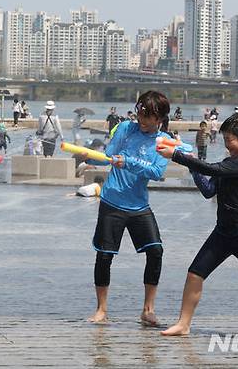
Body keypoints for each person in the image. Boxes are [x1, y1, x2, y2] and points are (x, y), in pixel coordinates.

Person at [158, 113, 238, 337]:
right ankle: (183, 325)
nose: (226, 145)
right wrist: (194, 167)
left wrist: (177, 155)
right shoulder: (229, 163)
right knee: (195, 274)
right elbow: (208, 190)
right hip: (222, 232)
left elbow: (213, 170)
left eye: (230, 140)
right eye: (224, 140)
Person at [85, 90, 170, 326]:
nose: (141, 120)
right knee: (104, 255)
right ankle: (102, 309)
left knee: (156, 252)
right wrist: (90, 157)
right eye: (140, 114)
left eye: (147, 117)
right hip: (112, 201)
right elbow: (109, 157)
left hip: (139, 205)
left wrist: (129, 162)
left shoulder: (164, 142)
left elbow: (156, 172)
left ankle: (148, 309)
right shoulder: (125, 129)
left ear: (159, 118)